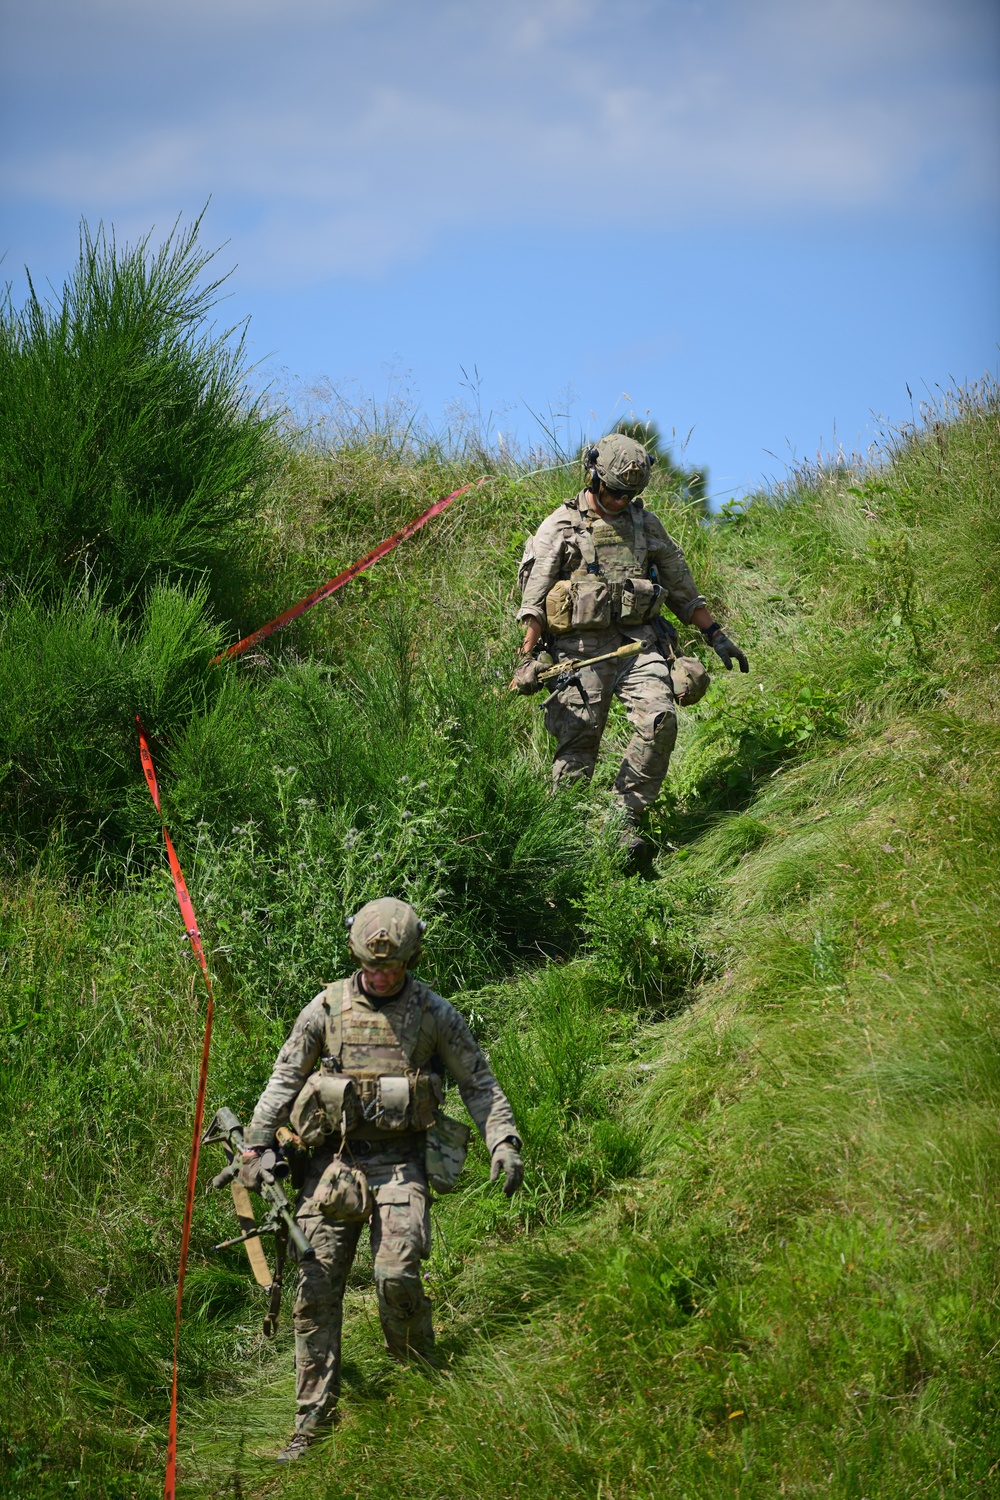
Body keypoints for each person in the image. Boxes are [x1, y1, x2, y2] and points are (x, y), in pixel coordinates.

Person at [239, 897, 523, 1462]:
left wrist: (503, 1140)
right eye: (372, 967)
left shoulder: (435, 1015)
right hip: (333, 1166)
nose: (381, 975)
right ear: (355, 955)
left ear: (412, 957)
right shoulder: (324, 1009)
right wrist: (255, 1141)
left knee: (395, 1276)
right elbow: (285, 1075)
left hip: (401, 1165)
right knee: (314, 1291)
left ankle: (419, 1383)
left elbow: (479, 1083)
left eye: (392, 968)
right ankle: (312, 1419)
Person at [511, 433, 748, 852]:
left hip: (639, 645)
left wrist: (716, 636)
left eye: (630, 495)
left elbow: (681, 588)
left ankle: (621, 823)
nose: (621, 501)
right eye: (614, 492)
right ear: (594, 477)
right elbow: (534, 598)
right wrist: (528, 655)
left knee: (660, 723)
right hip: (578, 654)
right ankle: (559, 843)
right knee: (577, 747)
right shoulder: (562, 526)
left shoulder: (646, 525)